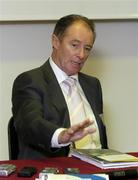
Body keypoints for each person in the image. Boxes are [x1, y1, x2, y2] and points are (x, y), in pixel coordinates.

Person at [11, 14, 107, 159]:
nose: (81, 55)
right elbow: (29, 124)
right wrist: (60, 136)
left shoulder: (93, 85)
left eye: (87, 48)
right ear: (55, 41)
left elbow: (100, 140)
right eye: (74, 45)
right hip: (55, 171)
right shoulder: (30, 80)